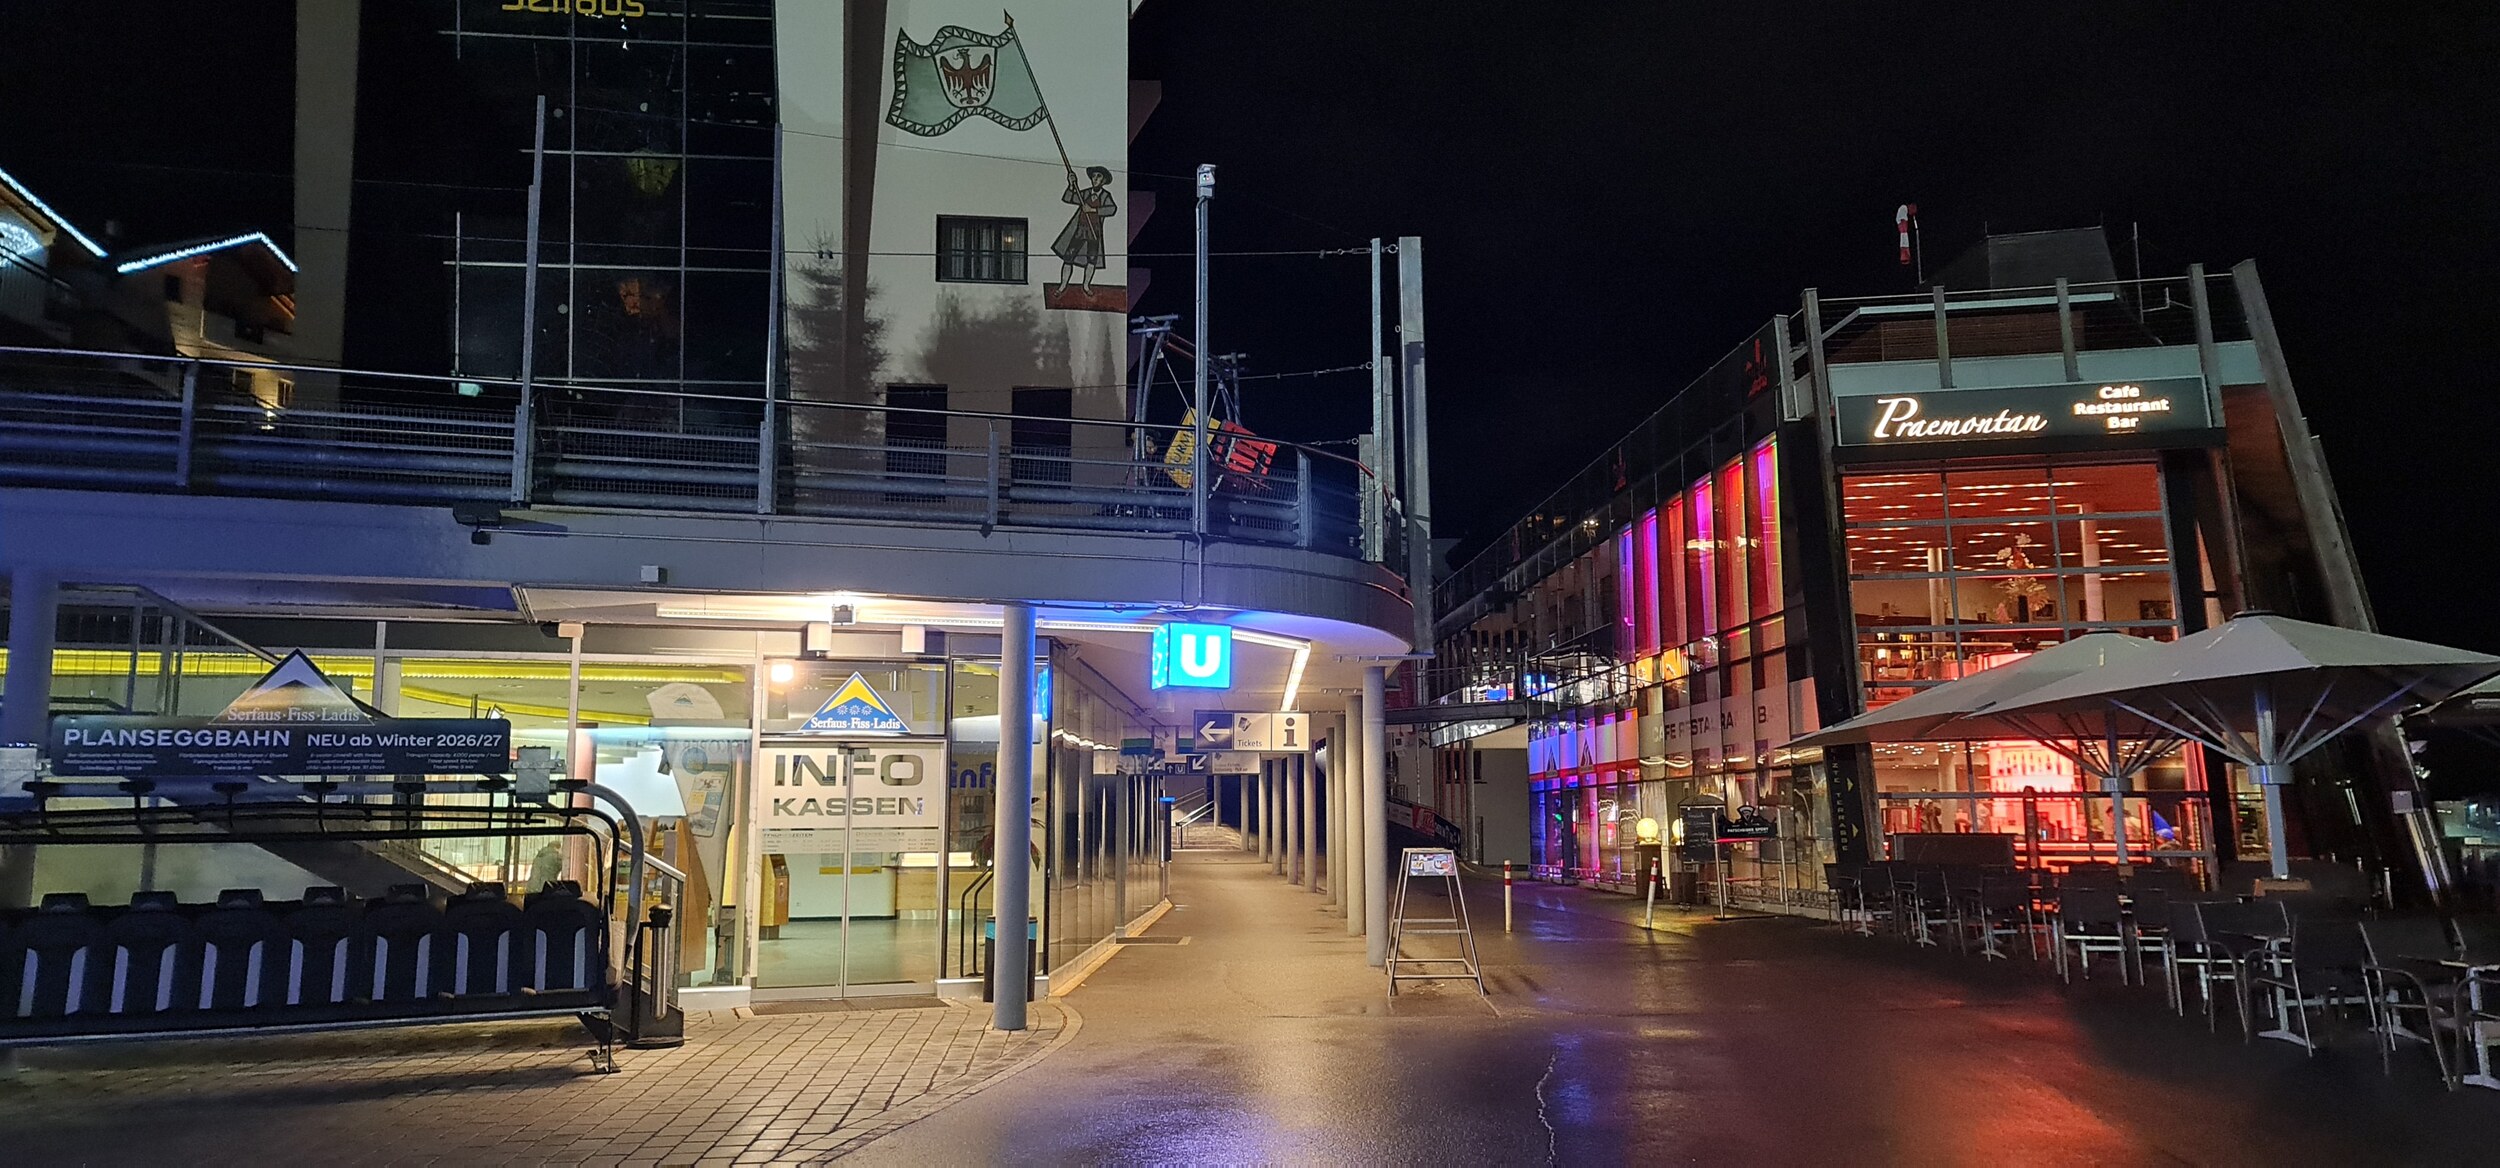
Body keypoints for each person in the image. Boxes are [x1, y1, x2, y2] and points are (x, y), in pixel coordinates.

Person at [1050, 165, 1118, 296]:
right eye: (1093, 176)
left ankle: (1086, 286)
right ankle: (1063, 285)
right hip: (1080, 230)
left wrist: (1092, 210)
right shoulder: (1085, 193)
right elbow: (1068, 198)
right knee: (1068, 257)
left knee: (1092, 259)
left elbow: (1112, 209)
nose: (1095, 179)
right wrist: (1071, 185)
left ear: (1103, 181)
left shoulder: (1105, 196)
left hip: (1094, 232)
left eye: (1098, 176)